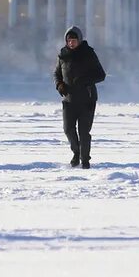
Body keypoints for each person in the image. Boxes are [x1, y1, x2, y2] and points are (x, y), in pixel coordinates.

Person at [54, 25, 106, 169]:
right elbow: (57, 74)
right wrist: (59, 85)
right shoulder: (63, 55)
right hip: (69, 100)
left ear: (80, 40)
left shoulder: (88, 53)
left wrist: (85, 80)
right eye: (69, 40)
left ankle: (85, 160)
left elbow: (101, 75)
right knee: (68, 129)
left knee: (83, 132)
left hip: (86, 100)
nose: (71, 43)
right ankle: (76, 153)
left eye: (74, 40)